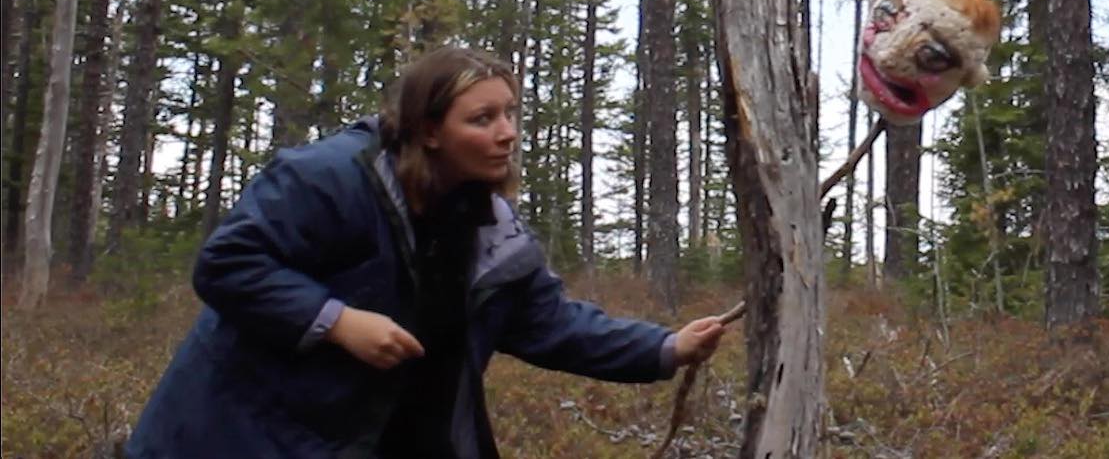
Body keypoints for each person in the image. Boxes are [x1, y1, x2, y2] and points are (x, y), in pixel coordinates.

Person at [125, 45, 725, 459]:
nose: (507, 132)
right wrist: (336, 322)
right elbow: (228, 265)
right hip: (248, 435)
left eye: (511, 113)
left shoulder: (493, 229)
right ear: (429, 130)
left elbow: (549, 324)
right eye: (483, 117)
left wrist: (666, 347)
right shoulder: (328, 180)